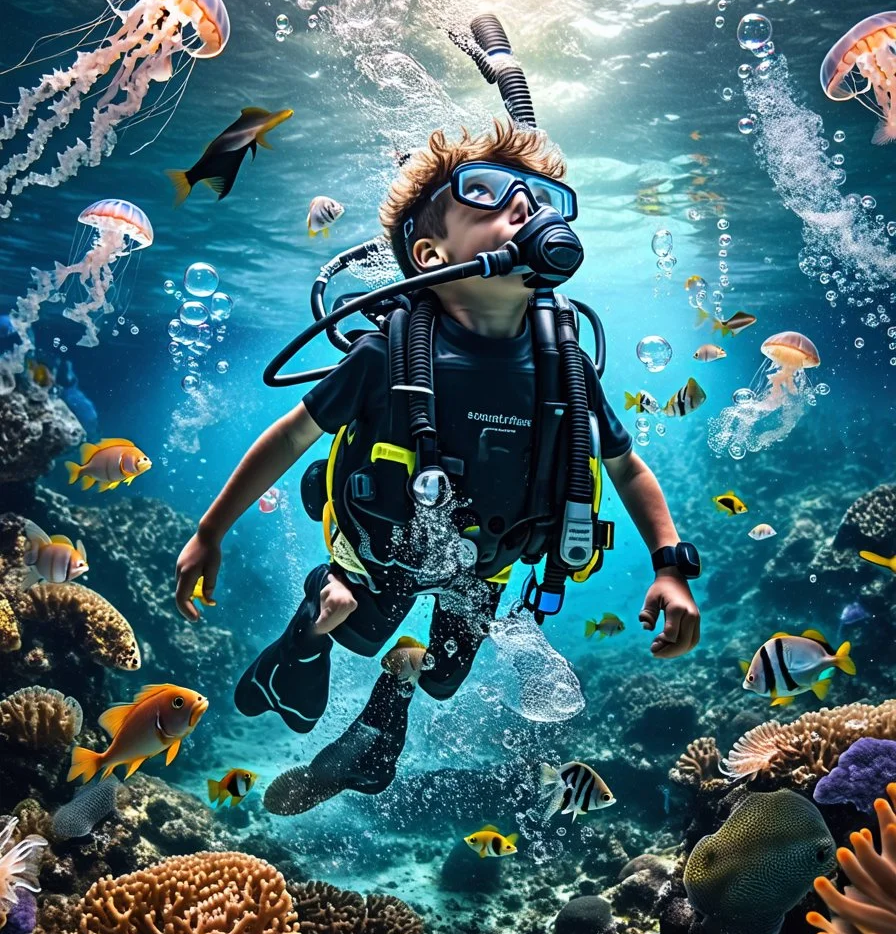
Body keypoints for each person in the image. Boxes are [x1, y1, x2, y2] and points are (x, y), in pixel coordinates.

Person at [174, 119, 702, 813]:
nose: (525, 207)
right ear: (430, 253)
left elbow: (627, 468)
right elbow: (291, 436)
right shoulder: (384, 354)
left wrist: (670, 565)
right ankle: (305, 635)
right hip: (381, 550)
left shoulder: (566, 368)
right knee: (352, 630)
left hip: (482, 566)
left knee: (444, 680)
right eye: (485, 194)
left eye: (540, 198)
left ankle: (389, 699)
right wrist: (211, 531)